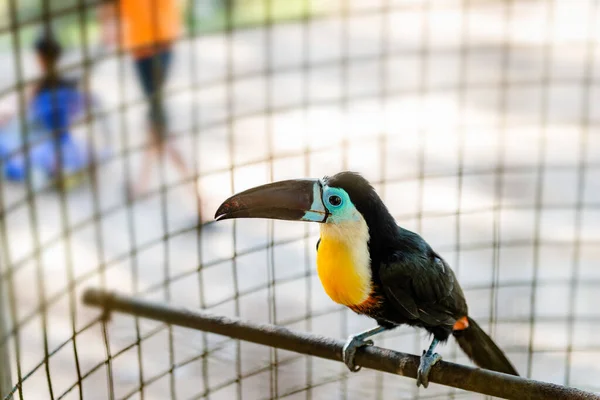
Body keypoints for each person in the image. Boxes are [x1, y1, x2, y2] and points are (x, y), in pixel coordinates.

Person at [99, 0, 200, 217]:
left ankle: (200, 201)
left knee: (159, 121)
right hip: (160, 39)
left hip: (148, 45)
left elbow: (107, 10)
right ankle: (141, 186)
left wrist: (108, 26)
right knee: (154, 118)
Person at [0, 30, 91, 189]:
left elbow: (20, 108)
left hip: (41, 139)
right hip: (64, 140)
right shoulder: (69, 82)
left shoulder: (39, 84)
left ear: (40, 56)